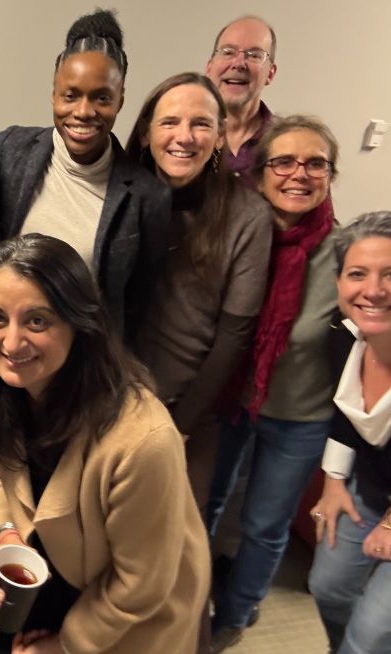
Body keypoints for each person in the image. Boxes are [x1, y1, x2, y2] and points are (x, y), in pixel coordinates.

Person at [0, 234, 209, 654]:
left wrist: (65, 645)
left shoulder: (142, 441)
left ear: (80, 325)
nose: (10, 342)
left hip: (127, 620)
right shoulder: (2, 392)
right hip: (50, 579)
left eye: (37, 321)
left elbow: (143, 584)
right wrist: (6, 534)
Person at [206, 115, 340, 651]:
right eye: (283, 161)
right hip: (231, 399)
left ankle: (236, 615)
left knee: (264, 525)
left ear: (331, 175)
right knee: (205, 503)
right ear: (260, 173)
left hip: (302, 415)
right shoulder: (238, 233)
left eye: (315, 163)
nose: (298, 174)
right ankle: (192, 596)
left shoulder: (348, 252)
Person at [125, 72, 272, 510]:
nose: (184, 137)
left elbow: (234, 335)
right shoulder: (122, 192)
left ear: (222, 134)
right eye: (170, 122)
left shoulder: (247, 215)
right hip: (106, 397)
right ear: (148, 129)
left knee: (172, 553)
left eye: (201, 124)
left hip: (185, 408)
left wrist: (179, 423)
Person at [0, 8, 170, 342]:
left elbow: (139, 308)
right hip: (4, 352)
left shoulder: (147, 196)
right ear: (54, 93)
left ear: (120, 100)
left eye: (101, 98)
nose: (83, 112)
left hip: (86, 369)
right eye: (71, 96)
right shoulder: (9, 150)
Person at [308, 212, 391, 654]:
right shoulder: (344, 334)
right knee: (325, 587)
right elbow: (350, 412)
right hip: (374, 489)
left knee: (370, 634)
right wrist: (332, 482)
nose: (372, 290)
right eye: (357, 274)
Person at [204, 16, 278, 183]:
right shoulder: (183, 140)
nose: (238, 63)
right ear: (209, 67)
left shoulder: (290, 144)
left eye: (254, 55)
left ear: (270, 74)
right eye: (228, 52)